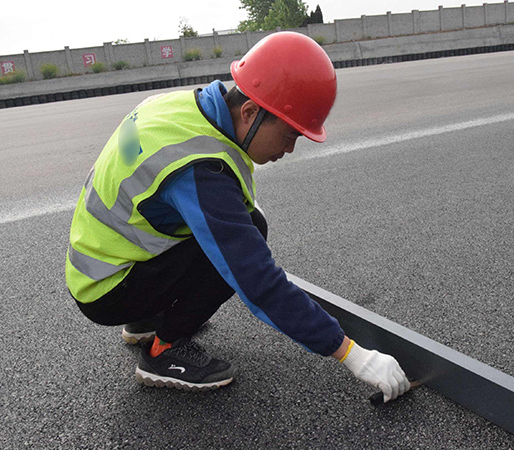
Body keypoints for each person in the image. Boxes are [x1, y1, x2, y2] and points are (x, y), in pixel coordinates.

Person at [66, 31, 410, 402]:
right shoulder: (200, 170)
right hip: (108, 288)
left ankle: (145, 321)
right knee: (244, 238)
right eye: (289, 135)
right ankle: (163, 350)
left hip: (103, 266)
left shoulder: (181, 108)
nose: (290, 149)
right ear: (249, 112)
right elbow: (257, 281)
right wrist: (354, 355)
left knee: (238, 224)